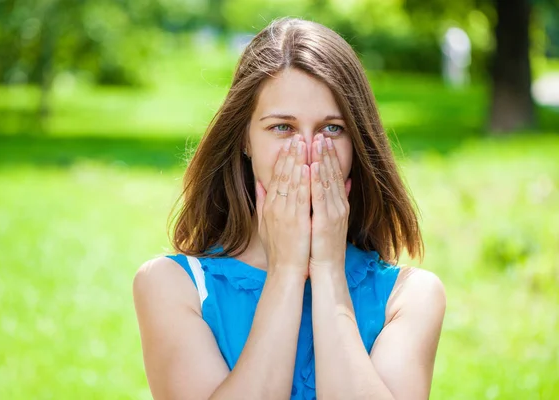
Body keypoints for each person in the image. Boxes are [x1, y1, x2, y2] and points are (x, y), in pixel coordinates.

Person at [133, 17, 446, 400]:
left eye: (332, 128)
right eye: (282, 127)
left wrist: (329, 270)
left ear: (358, 142)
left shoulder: (412, 296)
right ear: (244, 139)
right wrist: (285, 271)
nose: (309, 153)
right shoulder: (171, 286)